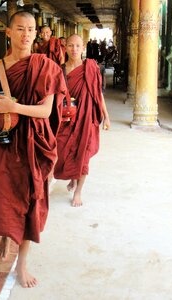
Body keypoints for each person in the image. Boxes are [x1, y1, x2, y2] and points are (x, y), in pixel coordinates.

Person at [0, 12, 66, 288]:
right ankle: (4, 235)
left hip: (32, 143)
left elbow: (46, 111)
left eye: (31, 29)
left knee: (28, 199)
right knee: (0, 194)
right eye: (20, 29)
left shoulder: (45, 66)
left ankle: (22, 263)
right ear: (8, 32)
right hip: (3, 143)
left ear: (36, 34)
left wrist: (15, 108)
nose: (26, 34)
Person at [54, 34, 110, 207]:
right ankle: (72, 177)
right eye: (70, 46)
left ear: (83, 46)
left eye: (78, 46)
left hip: (86, 118)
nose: (74, 49)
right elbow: (55, 95)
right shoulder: (60, 69)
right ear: (65, 47)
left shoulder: (90, 67)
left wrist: (106, 116)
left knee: (83, 154)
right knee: (65, 151)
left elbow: (97, 94)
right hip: (67, 118)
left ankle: (78, 191)